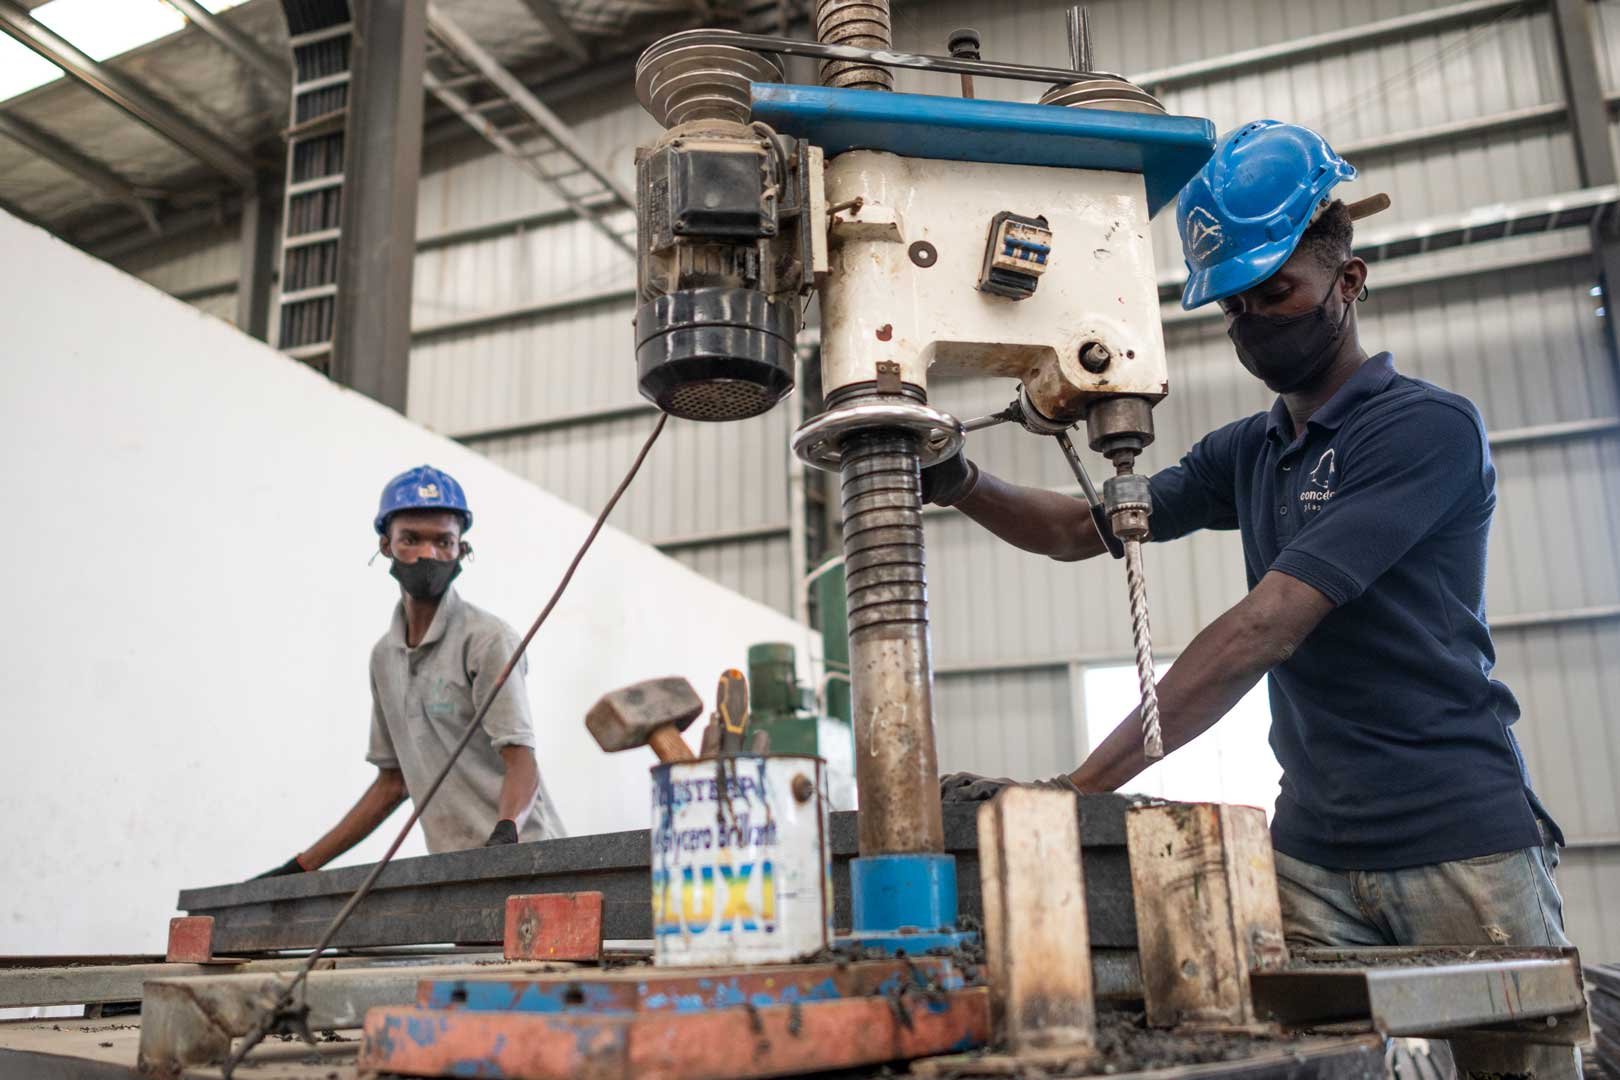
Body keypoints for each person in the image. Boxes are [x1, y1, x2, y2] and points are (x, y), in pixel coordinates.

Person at [931, 121, 1571, 1026]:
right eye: (1230, 305)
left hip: (1458, 850)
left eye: (1274, 294)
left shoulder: (1425, 430)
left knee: (1505, 1055)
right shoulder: (1253, 450)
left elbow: (1261, 630)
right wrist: (952, 475)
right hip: (1309, 857)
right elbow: (1080, 527)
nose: (1250, 324)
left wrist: (1074, 796)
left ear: (1347, 282)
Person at [256, 465, 564, 876]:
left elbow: (521, 761)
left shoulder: (488, 640)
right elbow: (393, 783)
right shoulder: (384, 658)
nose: (427, 554)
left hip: (526, 861)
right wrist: (300, 866)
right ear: (386, 545)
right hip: (456, 871)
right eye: (411, 539)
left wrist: (505, 835)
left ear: (462, 550)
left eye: (443, 541)